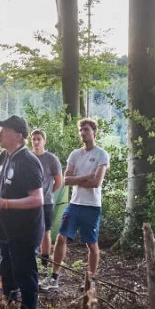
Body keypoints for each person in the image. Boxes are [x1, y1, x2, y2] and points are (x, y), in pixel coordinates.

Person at [0, 115, 44, 309]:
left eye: (3, 131)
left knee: (25, 272)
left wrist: (4, 204)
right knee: (7, 269)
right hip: (7, 228)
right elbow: (3, 189)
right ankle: (9, 306)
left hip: (25, 229)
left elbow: (37, 199)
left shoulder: (28, 161)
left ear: (17, 135)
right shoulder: (6, 157)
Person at [45, 117, 108, 290]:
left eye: (86, 130)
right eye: (81, 130)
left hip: (92, 206)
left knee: (91, 244)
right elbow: (66, 179)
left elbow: (97, 183)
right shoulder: (75, 154)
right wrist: (86, 176)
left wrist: (78, 179)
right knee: (61, 237)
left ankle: (91, 281)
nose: (83, 133)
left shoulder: (101, 154)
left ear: (94, 132)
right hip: (75, 204)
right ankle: (54, 276)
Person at [30, 129, 63, 269]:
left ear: (44, 141)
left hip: (46, 201)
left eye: (39, 139)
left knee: (46, 232)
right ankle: (31, 259)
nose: (36, 142)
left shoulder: (51, 159)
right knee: (30, 230)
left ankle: (44, 262)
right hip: (29, 201)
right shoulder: (28, 157)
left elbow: (58, 181)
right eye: (34, 139)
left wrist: (48, 193)